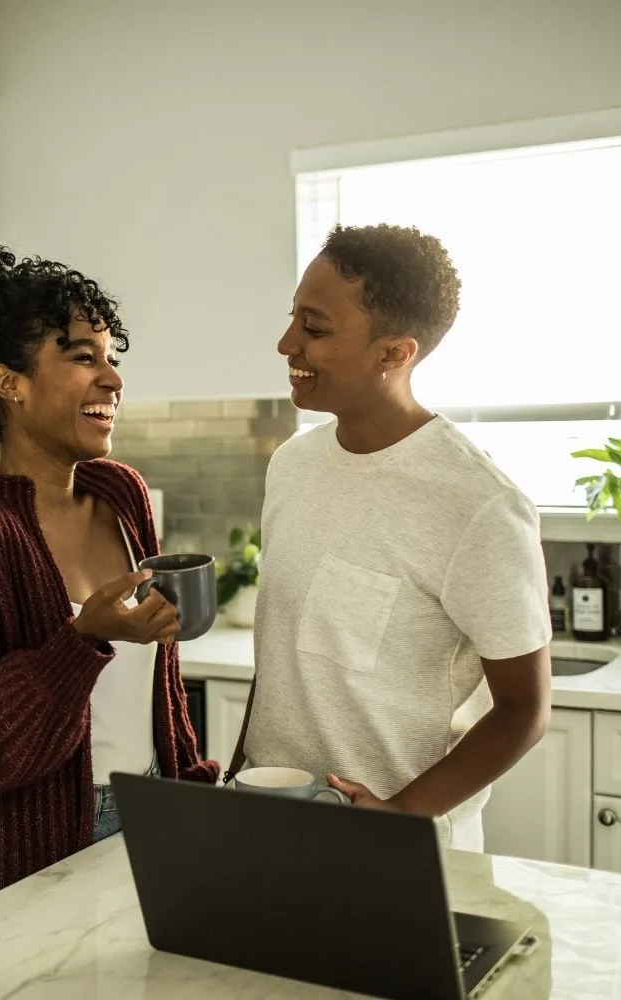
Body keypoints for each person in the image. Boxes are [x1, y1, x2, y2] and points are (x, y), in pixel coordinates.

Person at [0, 245, 218, 931]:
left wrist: (190, 792)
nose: (113, 377)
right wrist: (84, 638)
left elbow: (157, 684)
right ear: (12, 384)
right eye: (83, 356)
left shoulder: (122, 494)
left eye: (110, 355)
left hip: (149, 814)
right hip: (29, 848)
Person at [230, 223, 551, 852]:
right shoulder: (292, 466)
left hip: (405, 846)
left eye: (314, 328)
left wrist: (400, 815)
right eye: (293, 318)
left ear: (394, 353)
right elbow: (283, 660)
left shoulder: (479, 504)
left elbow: (524, 711)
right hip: (276, 826)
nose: (285, 342)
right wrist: (240, 772)